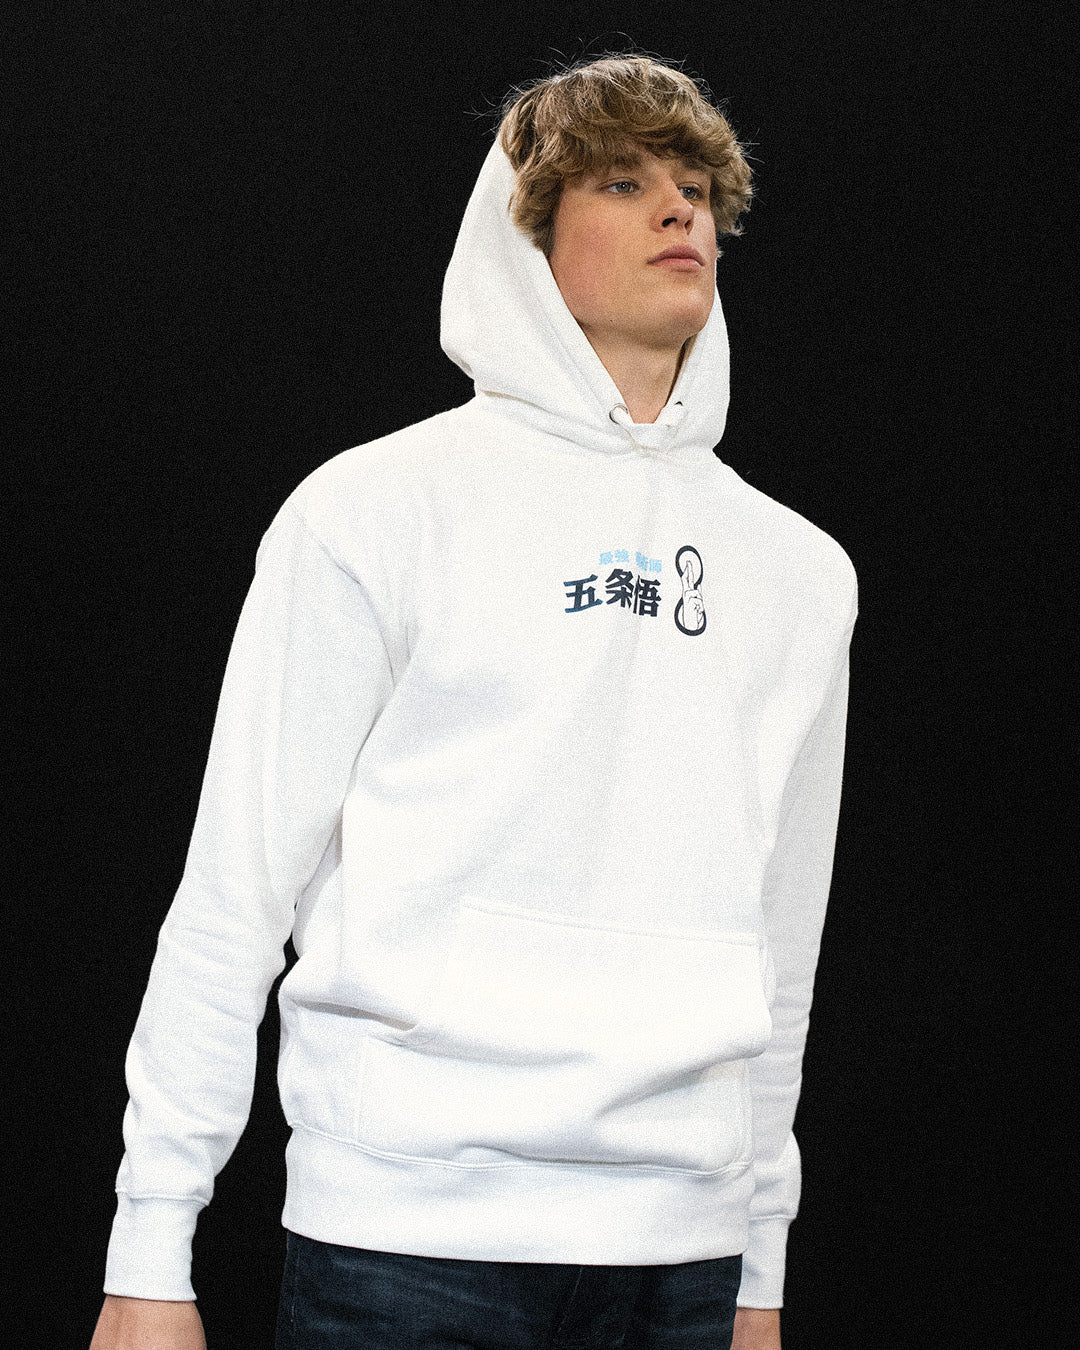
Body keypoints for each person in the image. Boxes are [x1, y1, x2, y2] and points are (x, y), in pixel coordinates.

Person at [90, 53, 857, 1350]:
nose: (679, 208)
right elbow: (236, 888)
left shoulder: (800, 574)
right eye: (623, 182)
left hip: (683, 1253)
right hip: (405, 1241)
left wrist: (761, 1272)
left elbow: (783, 951)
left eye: (694, 184)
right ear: (523, 239)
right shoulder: (376, 511)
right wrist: (149, 1248)